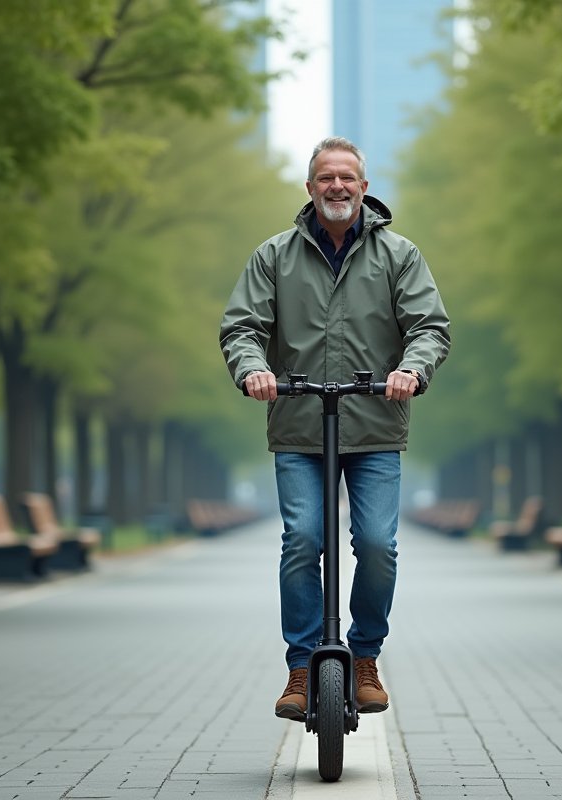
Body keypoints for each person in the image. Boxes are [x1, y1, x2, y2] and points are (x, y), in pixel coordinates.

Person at [220, 137, 451, 720]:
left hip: (375, 425)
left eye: (348, 178)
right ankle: (301, 669)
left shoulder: (399, 255)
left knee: (376, 545)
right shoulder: (274, 256)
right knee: (302, 541)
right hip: (299, 427)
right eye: (326, 178)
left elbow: (429, 327)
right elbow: (242, 327)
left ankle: (366, 656)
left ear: (365, 187)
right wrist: (253, 371)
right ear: (310, 188)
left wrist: (410, 370)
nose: (338, 187)